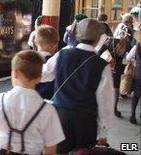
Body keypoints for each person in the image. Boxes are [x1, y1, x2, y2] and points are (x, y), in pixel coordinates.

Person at [41, 18, 114, 153]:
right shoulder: (102, 66)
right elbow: (105, 102)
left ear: (78, 35)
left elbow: (44, 74)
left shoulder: (62, 54)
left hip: (60, 117)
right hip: (85, 121)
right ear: (98, 39)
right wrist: (103, 133)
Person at [0, 50, 65, 154]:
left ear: (15, 73)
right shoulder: (47, 110)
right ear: (39, 78)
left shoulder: (0, 100)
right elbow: (51, 148)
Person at [34, 25, 59, 100]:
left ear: (35, 42)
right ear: (55, 44)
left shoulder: (29, 61)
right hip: (49, 105)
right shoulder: (58, 63)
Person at [125, 30, 141, 124]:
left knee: (136, 96)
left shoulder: (136, 47)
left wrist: (134, 60)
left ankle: (133, 115)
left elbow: (127, 58)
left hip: (138, 73)